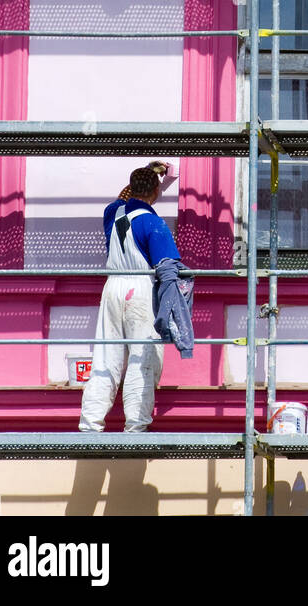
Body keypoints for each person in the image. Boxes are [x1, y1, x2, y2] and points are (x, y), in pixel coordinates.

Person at [78, 166, 181, 433]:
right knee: (142, 360)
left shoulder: (113, 213)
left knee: (105, 359)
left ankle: (90, 425)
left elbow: (127, 198)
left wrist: (149, 173)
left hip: (112, 287)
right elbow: (167, 266)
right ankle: (136, 428)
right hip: (141, 289)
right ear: (156, 192)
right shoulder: (153, 223)